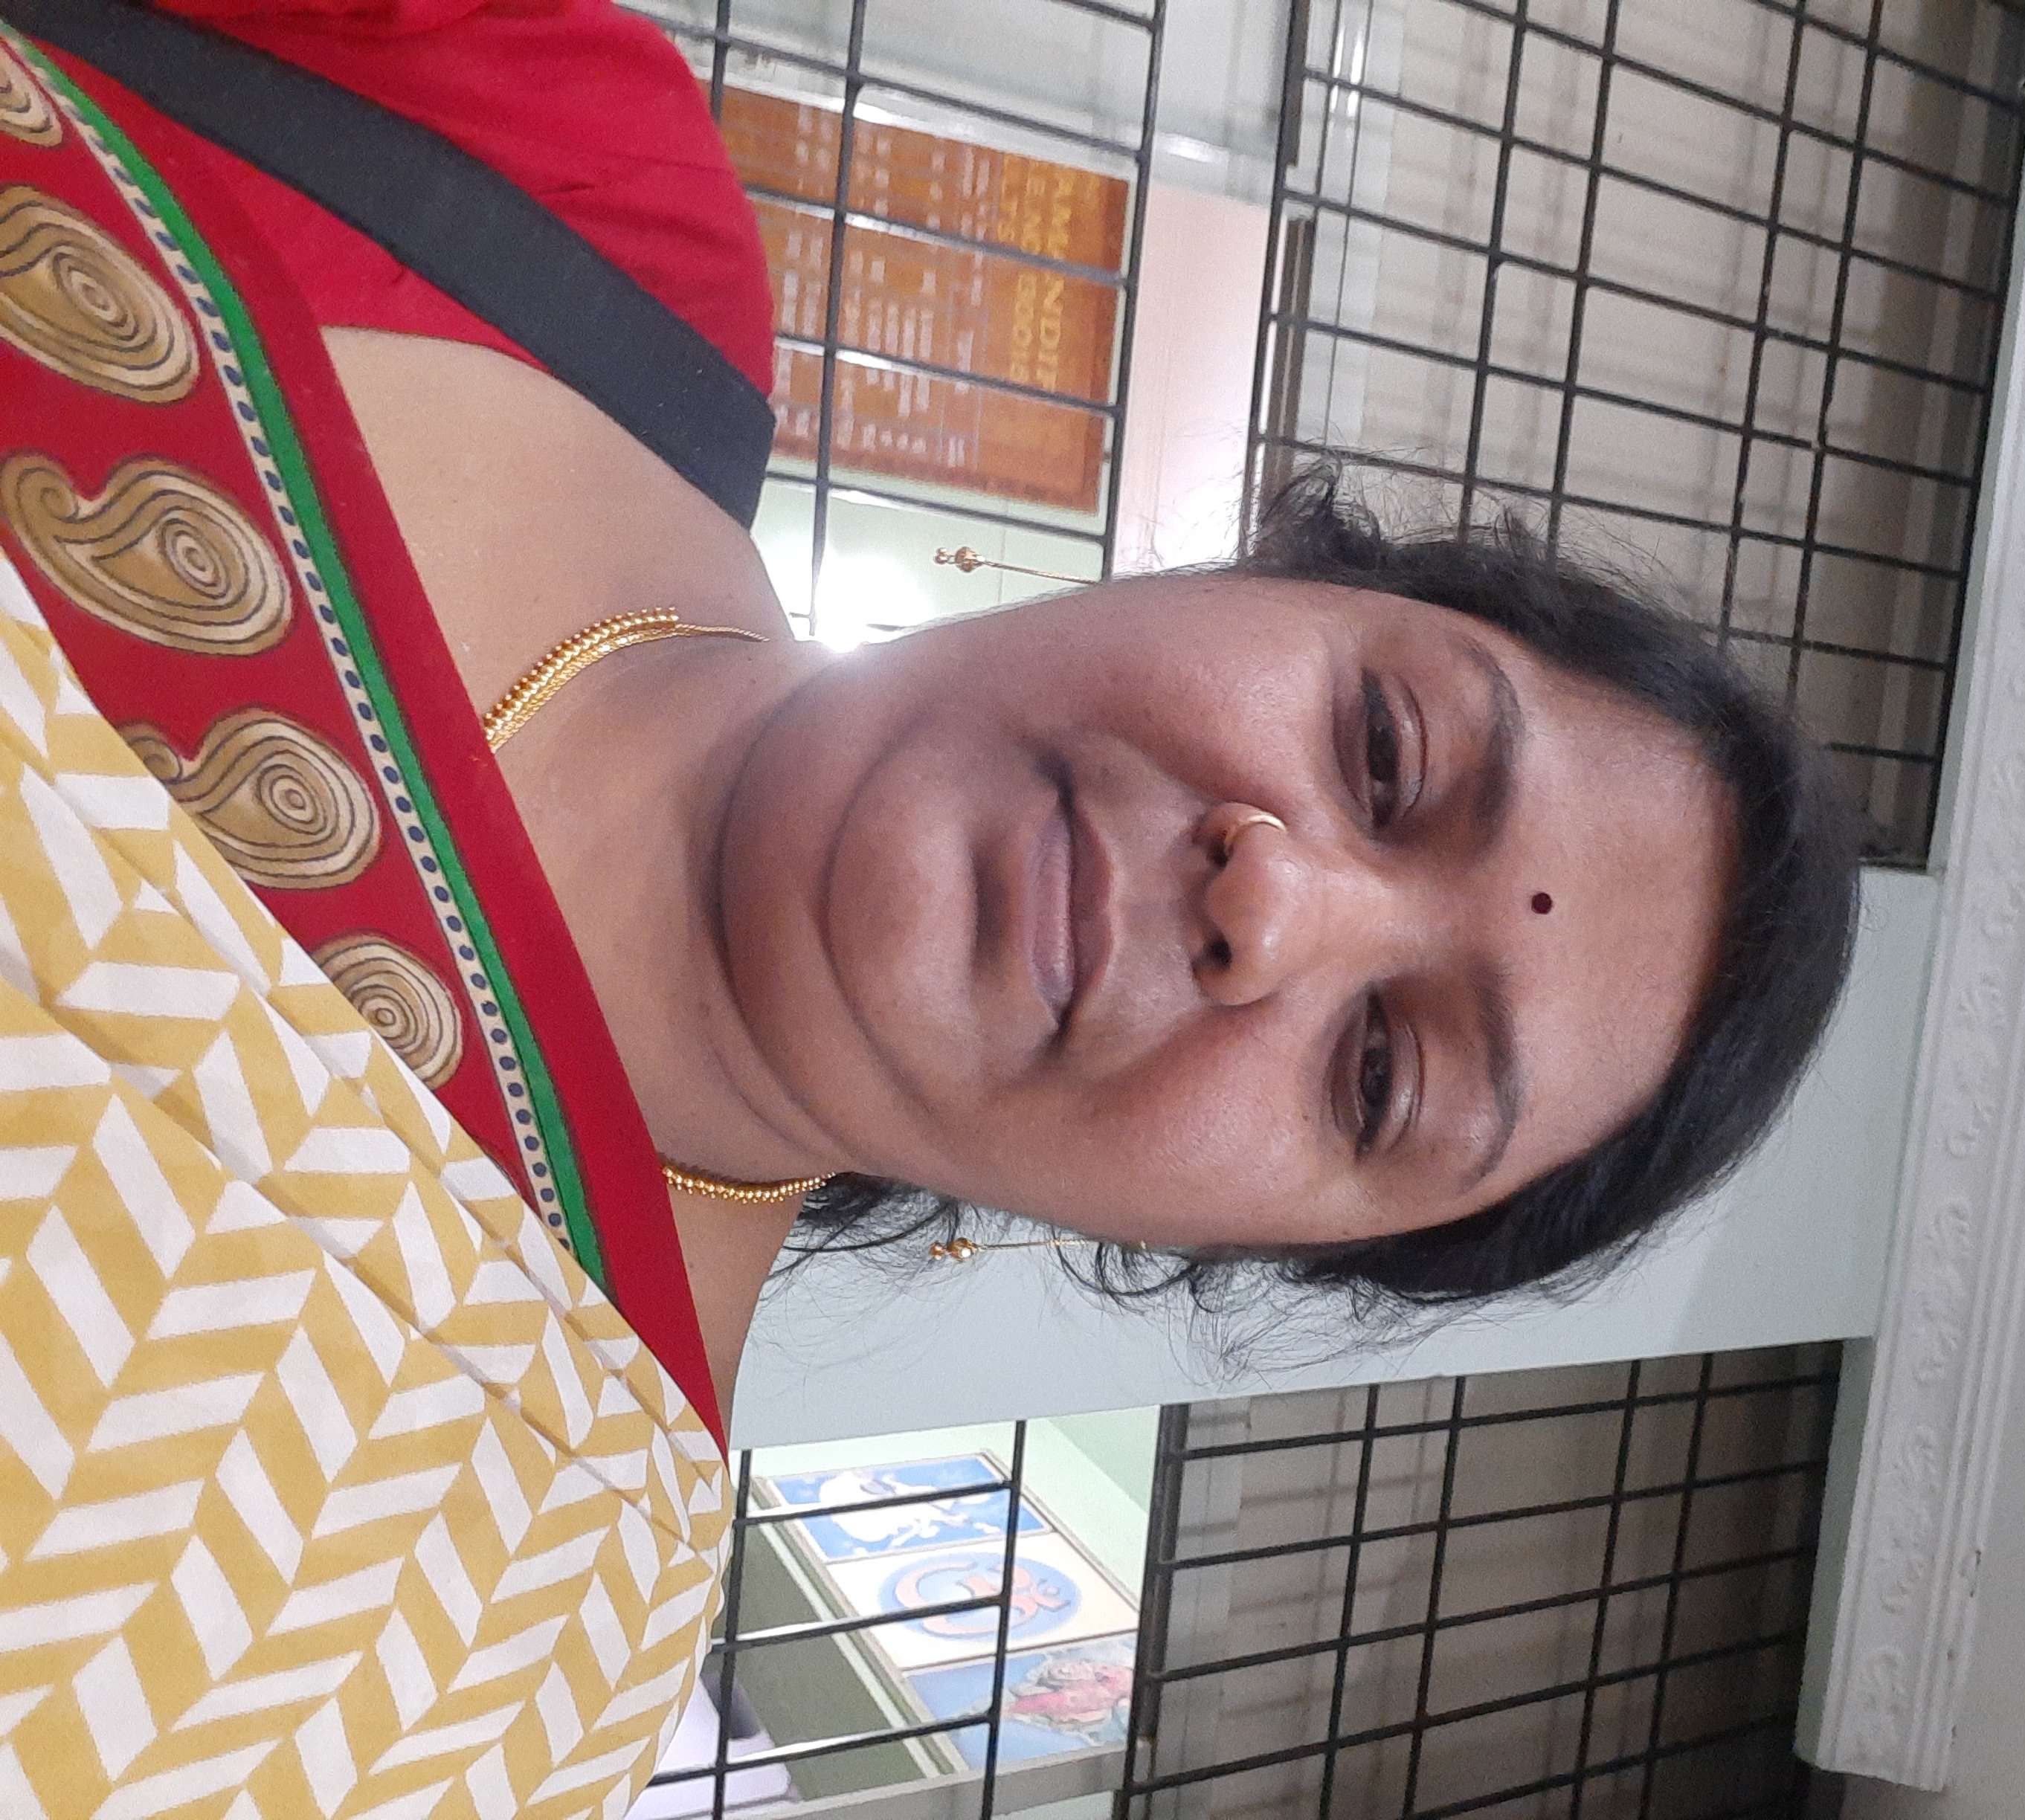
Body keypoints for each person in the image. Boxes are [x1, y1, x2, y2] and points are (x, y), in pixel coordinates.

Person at [0, 3, 1857, 1816]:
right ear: (1269, 572)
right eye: (1385, 749)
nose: (1275, 901)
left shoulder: (500, 1634)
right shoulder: (562, 186)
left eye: (1380, 1075)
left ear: (1228, 1247)